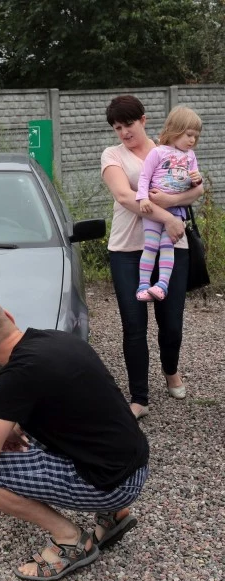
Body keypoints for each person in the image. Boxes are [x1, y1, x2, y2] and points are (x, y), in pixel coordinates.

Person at [0, 297, 149, 581]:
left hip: (112, 484)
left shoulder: (17, 376)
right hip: (135, 464)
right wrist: (12, 425)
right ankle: (113, 517)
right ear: (9, 317)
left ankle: (70, 541)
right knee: (34, 438)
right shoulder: (57, 339)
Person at [101, 95, 204, 419]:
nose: (124, 133)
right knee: (134, 324)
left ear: (143, 120)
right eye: (118, 128)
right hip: (127, 250)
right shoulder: (112, 155)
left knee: (171, 323)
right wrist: (170, 217)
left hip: (173, 247)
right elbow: (125, 196)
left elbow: (197, 190)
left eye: (128, 125)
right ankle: (140, 397)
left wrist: (174, 199)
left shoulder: (172, 149)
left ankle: (171, 370)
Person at [134, 106, 203, 302]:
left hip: (177, 210)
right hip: (154, 210)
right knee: (151, 245)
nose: (192, 140)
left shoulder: (191, 156)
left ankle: (162, 285)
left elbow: (195, 183)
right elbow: (145, 176)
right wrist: (143, 198)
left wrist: (197, 179)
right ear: (174, 130)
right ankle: (144, 285)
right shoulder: (158, 152)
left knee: (167, 246)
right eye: (189, 135)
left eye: (195, 137)